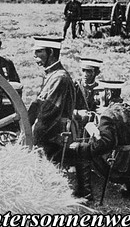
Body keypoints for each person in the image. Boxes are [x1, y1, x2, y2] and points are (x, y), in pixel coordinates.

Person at [27, 36, 92, 203]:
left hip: (57, 134)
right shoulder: (53, 75)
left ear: (51, 52)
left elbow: (48, 113)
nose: (35, 57)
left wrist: (31, 138)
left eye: (39, 53)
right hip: (55, 131)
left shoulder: (59, 78)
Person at [70, 80, 130, 198]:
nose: (96, 97)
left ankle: (85, 194)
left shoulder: (108, 115)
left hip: (116, 171)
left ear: (108, 94)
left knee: (81, 150)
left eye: (99, 93)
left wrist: (82, 146)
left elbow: (105, 144)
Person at [73, 58, 103, 134]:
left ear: (97, 73)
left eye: (89, 71)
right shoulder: (75, 86)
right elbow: (64, 109)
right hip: (75, 125)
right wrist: (78, 113)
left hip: (94, 127)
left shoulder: (100, 89)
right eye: (83, 70)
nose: (85, 74)